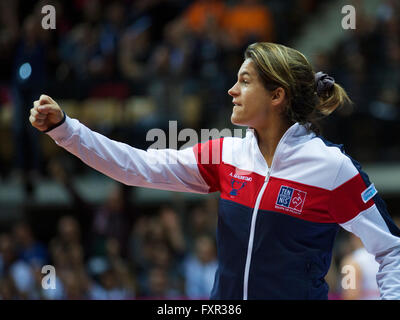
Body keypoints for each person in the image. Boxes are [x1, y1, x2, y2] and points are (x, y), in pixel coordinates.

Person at [29, 42, 400, 300]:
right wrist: (67, 129)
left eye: (244, 80)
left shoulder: (332, 169)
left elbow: (391, 250)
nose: (231, 90)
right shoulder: (227, 155)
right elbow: (139, 168)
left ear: (277, 95)